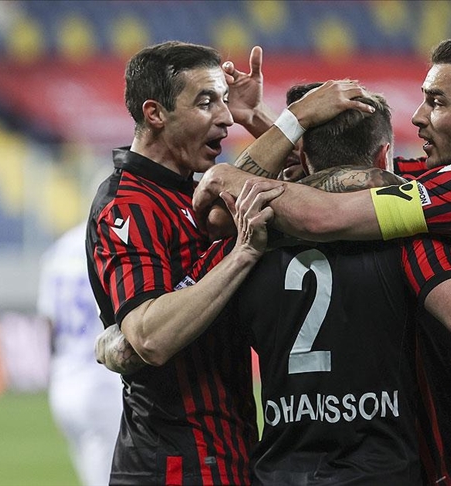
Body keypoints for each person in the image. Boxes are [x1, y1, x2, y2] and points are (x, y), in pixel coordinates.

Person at [194, 37, 451, 485]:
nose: (418, 116)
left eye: (436, 101)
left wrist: (228, 171)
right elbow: (351, 167)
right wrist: (263, 118)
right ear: (384, 156)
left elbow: (319, 212)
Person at [85, 40, 291, 485]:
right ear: (155, 113)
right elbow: (149, 336)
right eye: (206, 102)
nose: (226, 117)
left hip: (230, 452)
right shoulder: (128, 204)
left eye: (224, 100)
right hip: (174, 465)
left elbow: (311, 167)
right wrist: (243, 254)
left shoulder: (186, 194)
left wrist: (257, 115)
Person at [37, 224, 122, 486]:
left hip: (64, 382)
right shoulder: (107, 243)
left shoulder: (58, 251)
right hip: (100, 379)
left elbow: (48, 324)